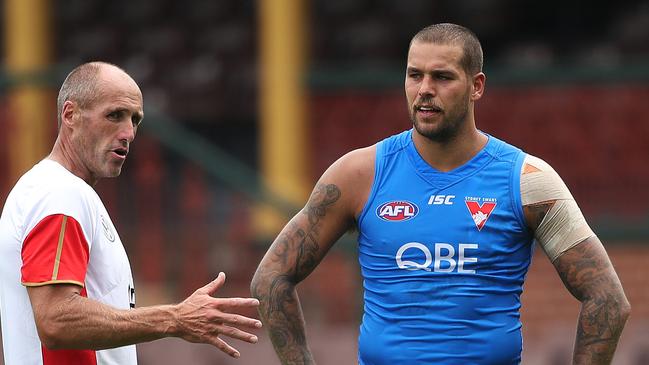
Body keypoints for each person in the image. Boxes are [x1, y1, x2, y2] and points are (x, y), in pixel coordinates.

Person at [251, 23, 630, 364]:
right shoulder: (358, 175)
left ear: (476, 86)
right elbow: (271, 277)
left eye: (442, 77)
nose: (425, 90)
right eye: (414, 75)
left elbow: (608, 300)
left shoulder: (528, 180)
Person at [0, 62, 261, 364]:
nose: (129, 133)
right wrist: (174, 318)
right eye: (114, 115)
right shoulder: (59, 193)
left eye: (135, 119)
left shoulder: (58, 191)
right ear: (70, 115)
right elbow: (56, 319)